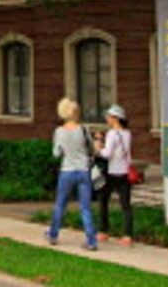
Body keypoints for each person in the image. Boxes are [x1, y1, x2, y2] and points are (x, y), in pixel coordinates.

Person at [46, 97, 99, 250]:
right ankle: (91, 240)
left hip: (67, 171)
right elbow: (90, 149)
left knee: (60, 205)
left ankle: (53, 234)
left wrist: (63, 150)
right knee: (85, 207)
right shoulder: (84, 129)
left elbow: (56, 153)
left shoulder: (59, 132)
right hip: (83, 170)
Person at [97, 104, 137, 246]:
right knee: (125, 205)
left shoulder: (112, 134)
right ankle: (128, 235)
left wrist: (98, 148)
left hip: (112, 172)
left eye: (109, 116)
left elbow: (107, 154)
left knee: (103, 201)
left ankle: (103, 231)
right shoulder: (128, 133)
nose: (107, 119)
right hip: (125, 172)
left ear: (115, 118)